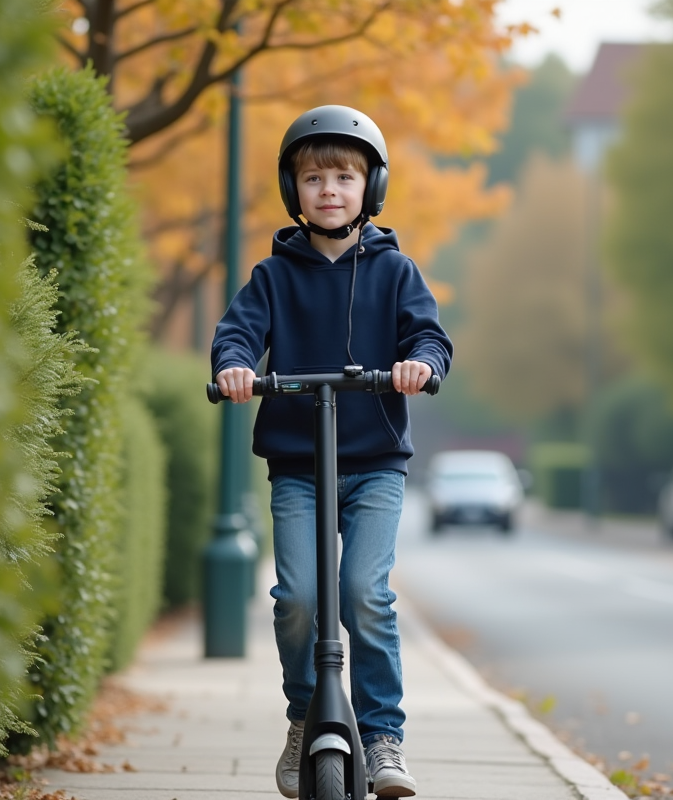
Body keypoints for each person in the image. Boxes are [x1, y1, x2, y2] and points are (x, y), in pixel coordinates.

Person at [211, 105, 452, 798]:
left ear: (369, 189)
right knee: (295, 600)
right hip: (297, 468)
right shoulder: (272, 276)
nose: (328, 190)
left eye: (343, 177)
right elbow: (237, 336)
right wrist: (233, 367)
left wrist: (421, 366)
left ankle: (381, 736)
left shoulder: (396, 271)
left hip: (375, 464)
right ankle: (300, 716)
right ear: (295, 192)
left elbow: (430, 339)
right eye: (313, 177)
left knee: (363, 595)